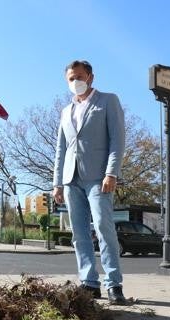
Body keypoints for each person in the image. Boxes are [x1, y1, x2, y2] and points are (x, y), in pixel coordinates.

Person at [52, 60, 127, 305]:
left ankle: (114, 284)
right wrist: (57, 183)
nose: (76, 82)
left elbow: (117, 140)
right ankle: (89, 282)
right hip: (70, 178)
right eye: (71, 79)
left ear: (91, 77)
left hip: (98, 177)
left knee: (104, 227)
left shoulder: (108, 100)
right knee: (79, 233)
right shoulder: (65, 111)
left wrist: (112, 173)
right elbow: (60, 150)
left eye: (79, 77)